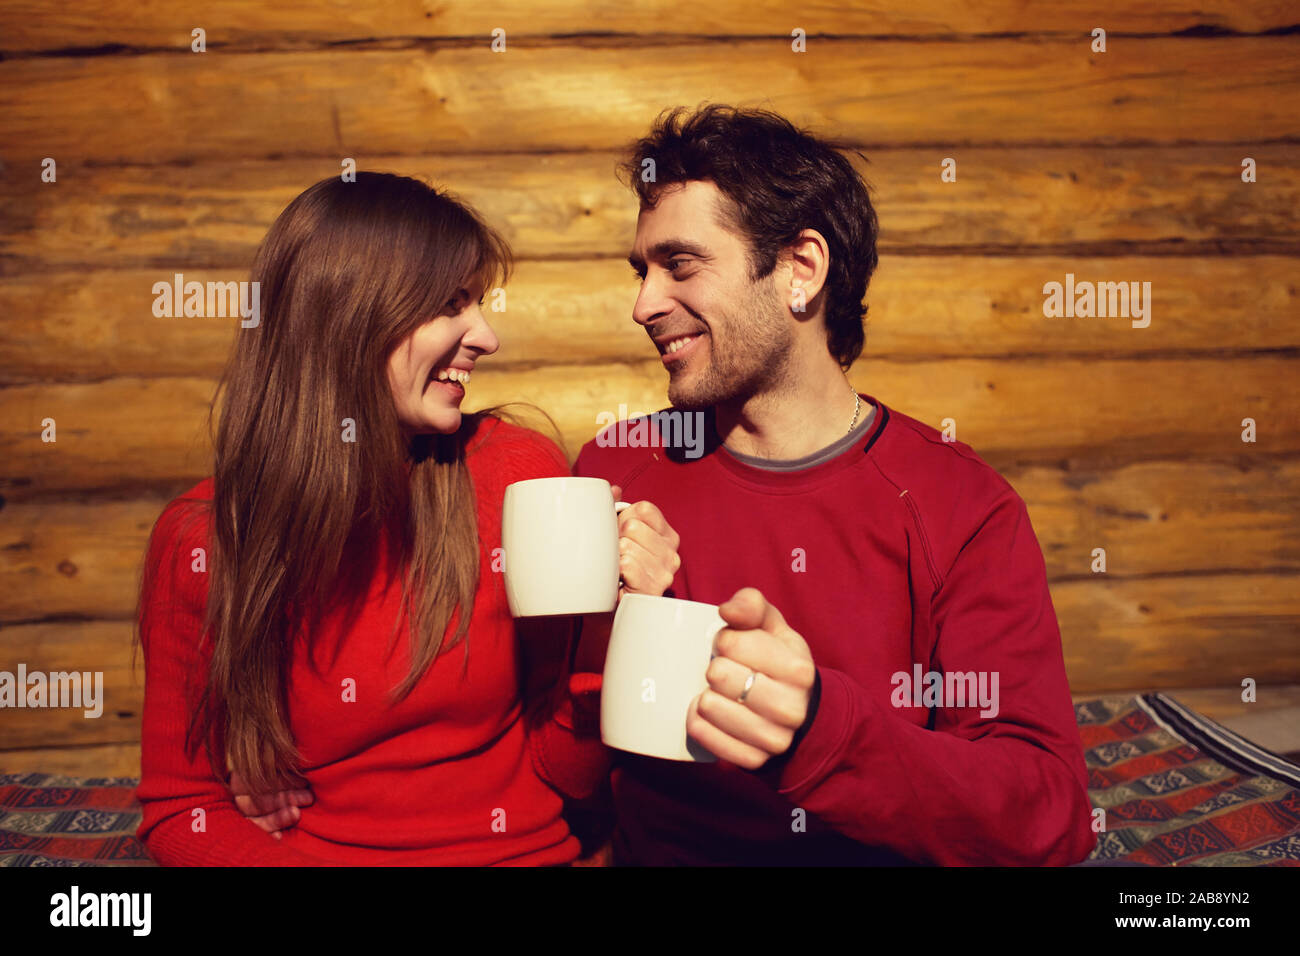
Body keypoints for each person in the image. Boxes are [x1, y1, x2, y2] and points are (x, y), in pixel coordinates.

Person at [238, 106, 1099, 867]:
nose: (644, 304)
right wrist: (276, 741)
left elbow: (1050, 817)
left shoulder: (958, 504)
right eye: (639, 271)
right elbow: (532, 729)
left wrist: (822, 731)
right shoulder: (615, 470)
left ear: (801, 268)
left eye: (680, 266)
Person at [134, 171, 678, 865]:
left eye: (478, 302)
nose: (486, 335)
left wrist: (612, 630)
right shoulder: (203, 540)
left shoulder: (516, 474)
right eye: (451, 303)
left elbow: (563, 773)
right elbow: (186, 809)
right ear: (347, 315)